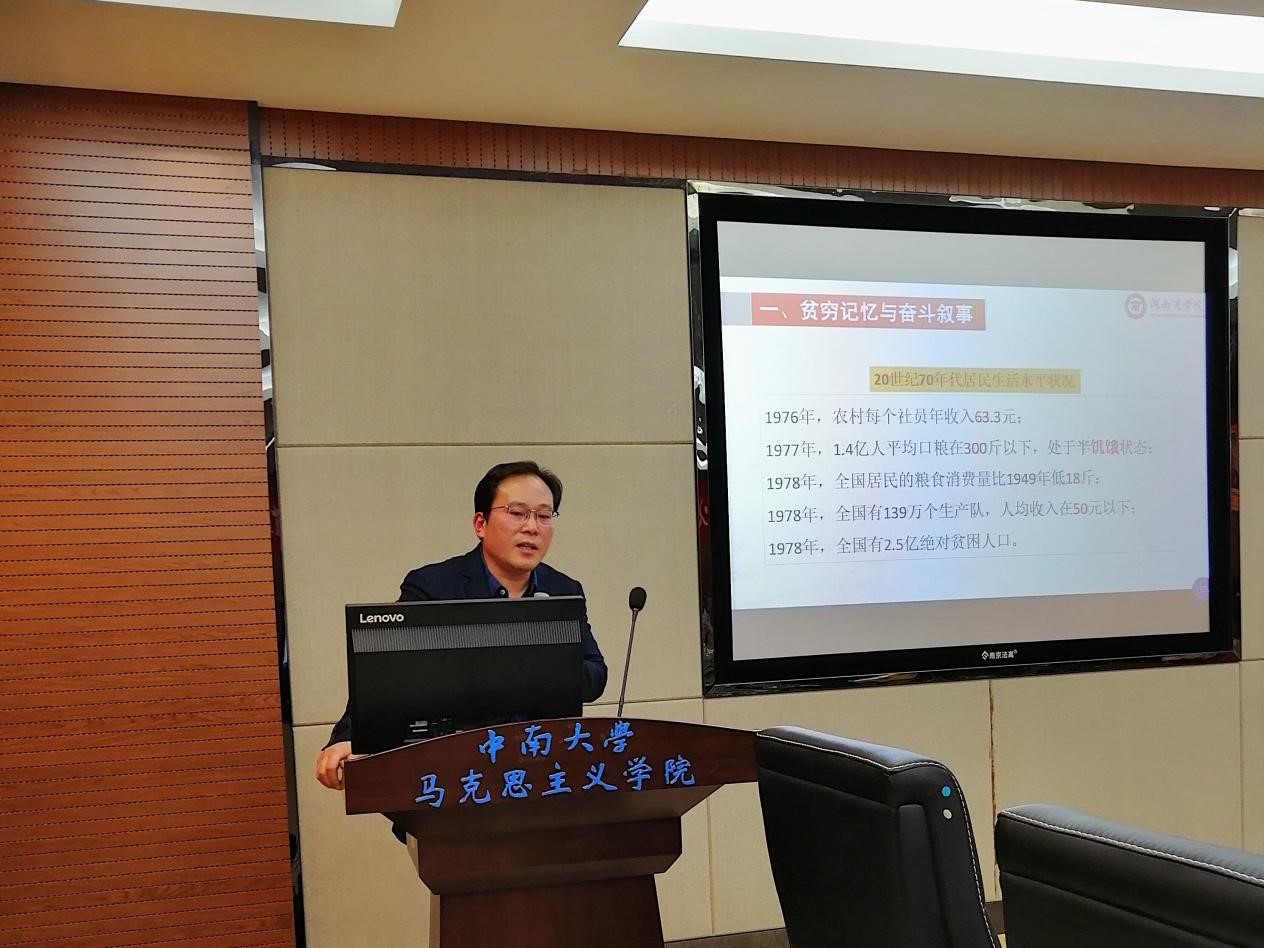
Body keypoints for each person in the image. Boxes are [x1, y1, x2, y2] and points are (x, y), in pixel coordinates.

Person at [315, 460, 608, 790]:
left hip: (538, 769)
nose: (532, 527)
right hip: (456, 772)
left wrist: (535, 661)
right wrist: (349, 737)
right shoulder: (434, 587)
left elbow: (594, 677)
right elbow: (388, 676)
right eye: (517, 513)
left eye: (544, 515)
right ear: (480, 524)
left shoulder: (563, 590)